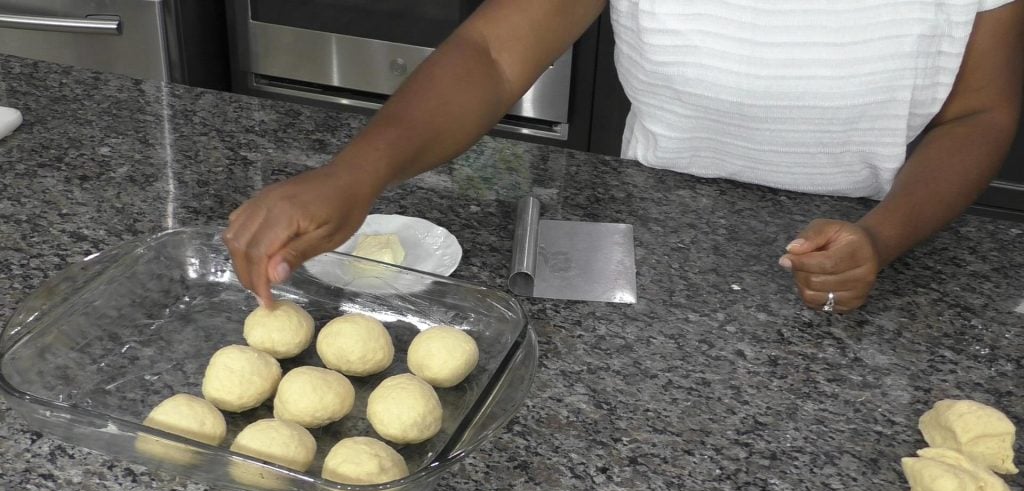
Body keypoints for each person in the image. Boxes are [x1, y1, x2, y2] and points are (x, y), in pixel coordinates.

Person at [224, 0, 1023, 313]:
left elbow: (984, 112)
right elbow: (496, 52)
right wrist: (354, 172)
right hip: (646, 248)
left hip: (855, 246)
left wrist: (881, 237)